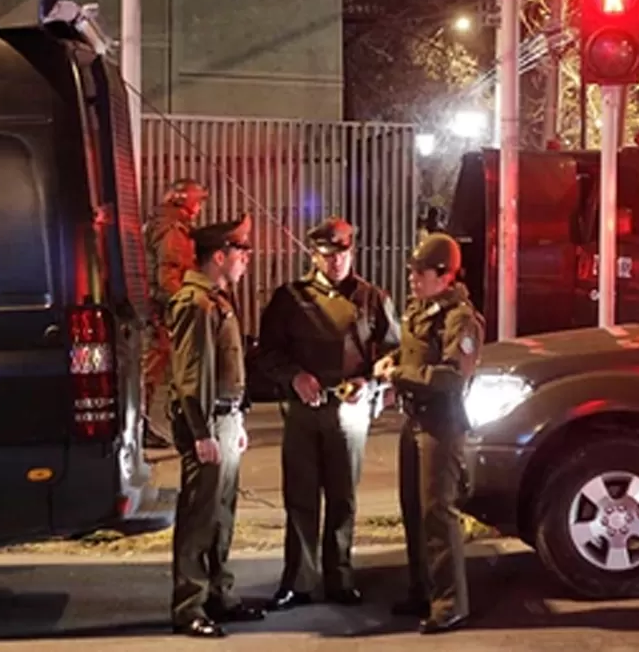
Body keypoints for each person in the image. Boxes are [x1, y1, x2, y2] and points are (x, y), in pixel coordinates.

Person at [257, 217, 400, 611]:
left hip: (350, 409)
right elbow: (266, 352)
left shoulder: (372, 298)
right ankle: (298, 581)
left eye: (341, 254)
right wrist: (294, 376)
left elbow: (392, 352)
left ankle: (340, 576)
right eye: (326, 255)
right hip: (304, 409)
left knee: (343, 498)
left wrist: (370, 382)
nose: (335, 262)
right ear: (313, 255)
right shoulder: (290, 298)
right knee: (300, 498)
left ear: (351, 251)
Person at [373, 232, 484, 635]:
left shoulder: (460, 319)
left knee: (438, 514)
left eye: (421, 273)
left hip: (441, 425)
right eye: (413, 272)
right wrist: (393, 362)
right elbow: (413, 353)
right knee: (414, 512)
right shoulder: (421, 310)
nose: (413, 280)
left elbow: (453, 376)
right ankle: (423, 589)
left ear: (444, 275)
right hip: (415, 420)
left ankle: (451, 602)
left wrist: (398, 374)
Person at [167, 213, 267, 639]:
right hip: (207, 424)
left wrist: (235, 419)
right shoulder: (196, 303)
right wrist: (202, 432)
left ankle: (218, 595)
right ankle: (189, 605)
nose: (246, 259)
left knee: (221, 515)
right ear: (220, 256)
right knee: (198, 516)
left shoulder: (217, 299)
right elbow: (193, 374)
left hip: (225, 419)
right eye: (241, 252)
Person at [143, 178, 208, 448]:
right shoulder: (173, 231)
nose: (200, 206)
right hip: (163, 313)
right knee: (155, 371)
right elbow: (169, 275)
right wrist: (186, 306)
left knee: (153, 371)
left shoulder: (159, 225)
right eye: (198, 199)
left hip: (155, 310)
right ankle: (144, 427)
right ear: (182, 200)